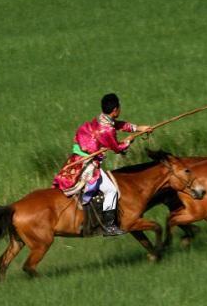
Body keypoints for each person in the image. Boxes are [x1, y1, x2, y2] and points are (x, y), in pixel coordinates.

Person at [53, 93, 153, 236]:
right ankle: (109, 225)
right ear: (115, 110)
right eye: (119, 107)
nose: (120, 110)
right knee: (111, 190)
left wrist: (138, 128)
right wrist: (128, 142)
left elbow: (118, 124)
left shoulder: (102, 119)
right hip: (88, 165)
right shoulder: (107, 130)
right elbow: (117, 148)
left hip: (77, 159)